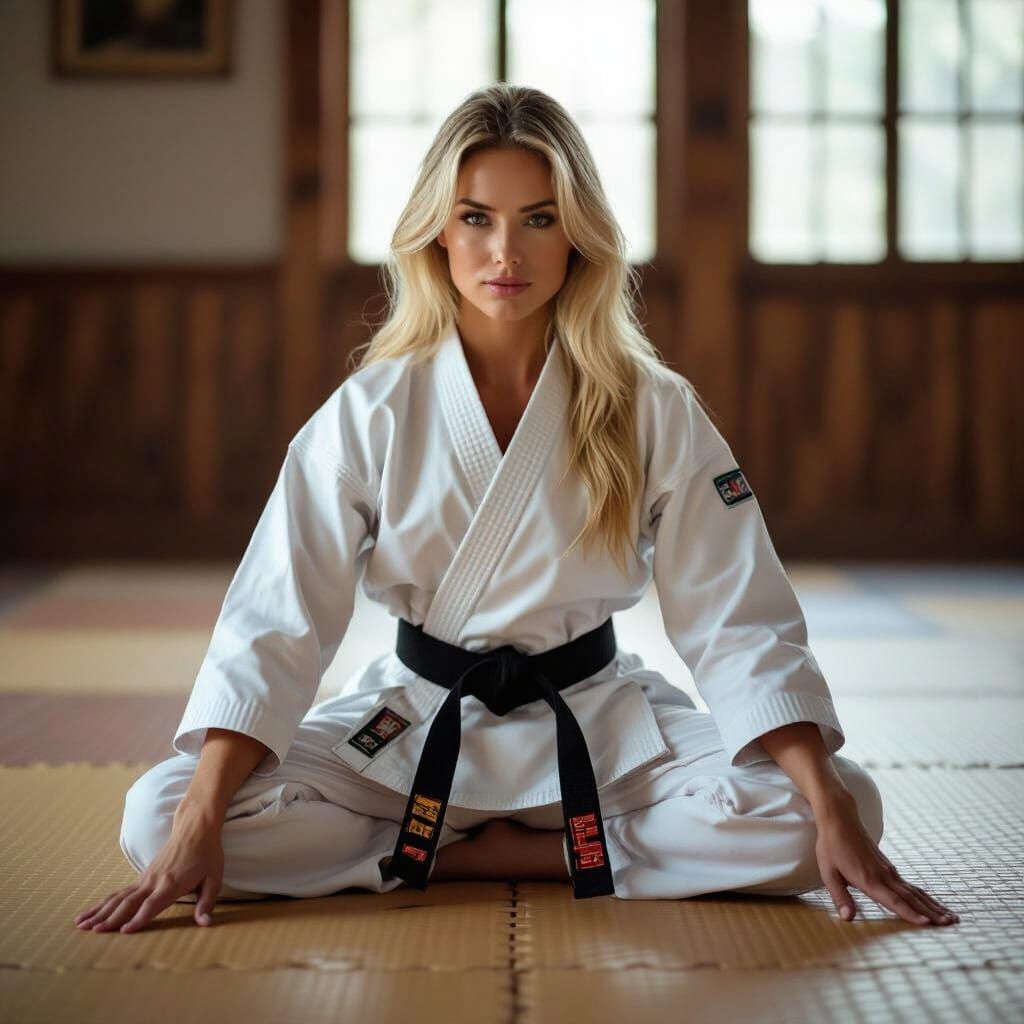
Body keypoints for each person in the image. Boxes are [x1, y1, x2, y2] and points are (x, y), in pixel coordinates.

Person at [74, 83, 958, 934]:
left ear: (579, 235)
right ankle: (552, 857)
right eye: (477, 218)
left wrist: (830, 800)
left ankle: (432, 858)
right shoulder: (373, 409)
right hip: (416, 720)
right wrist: (199, 817)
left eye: (539, 218)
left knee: (836, 806)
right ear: (436, 233)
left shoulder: (650, 404)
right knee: (160, 814)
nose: (508, 253)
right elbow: (278, 617)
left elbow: (737, 616)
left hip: (596, 717)